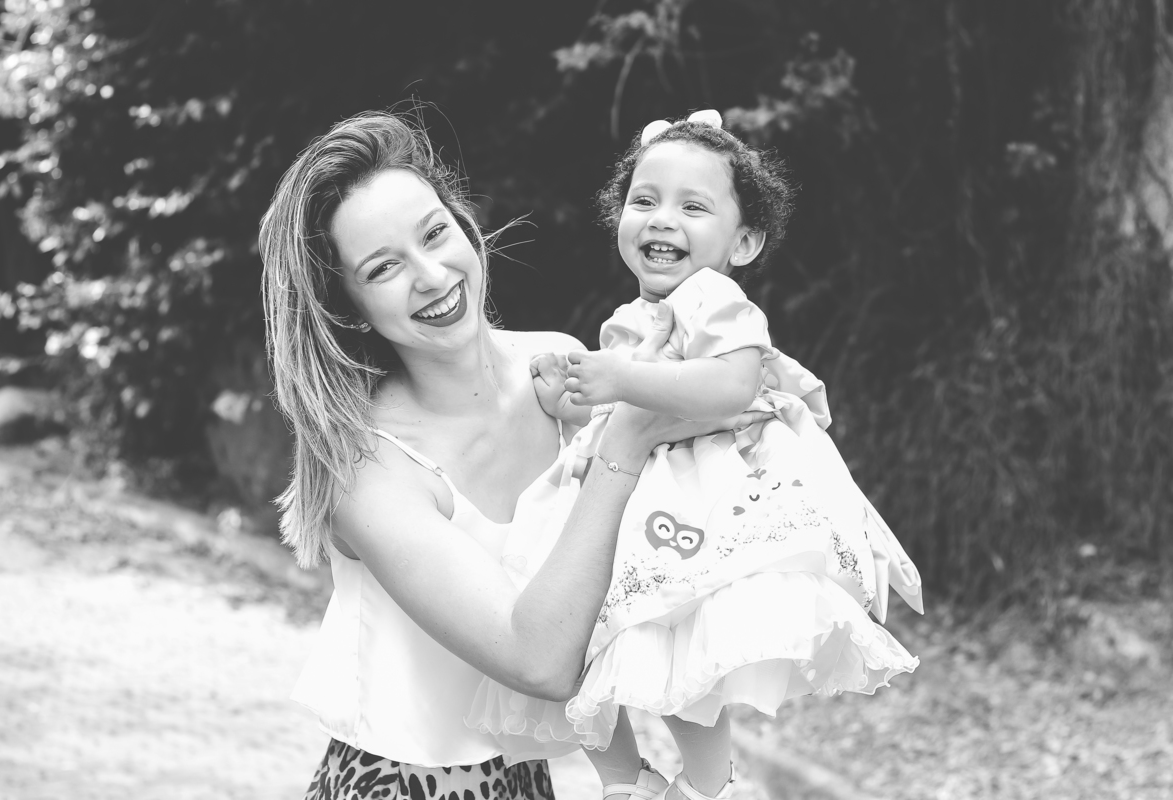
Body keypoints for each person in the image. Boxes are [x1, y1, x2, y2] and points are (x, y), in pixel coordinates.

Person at [259, 111, 776, 800]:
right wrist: (625, 443)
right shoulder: (365, 467)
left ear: (464, 227)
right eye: (383, 268)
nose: (431, 274)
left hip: (527, 780)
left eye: (434, 233)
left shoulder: (556, 371)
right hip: (396, 786)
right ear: (349, 306)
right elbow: (539, 662)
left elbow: (649, 549)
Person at [465, 111, 925, 800]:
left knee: (678, 638)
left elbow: (732, 383)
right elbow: (620, 411)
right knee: (570, 633)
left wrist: (621, 379)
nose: (662, 219)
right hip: (616, 494)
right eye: (644, 200)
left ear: (744, 241)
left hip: (691, 494)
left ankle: (709, 785)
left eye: (693, 207)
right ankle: (628, 781)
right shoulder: (631, 317)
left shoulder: (714, 298)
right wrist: (573, 400)